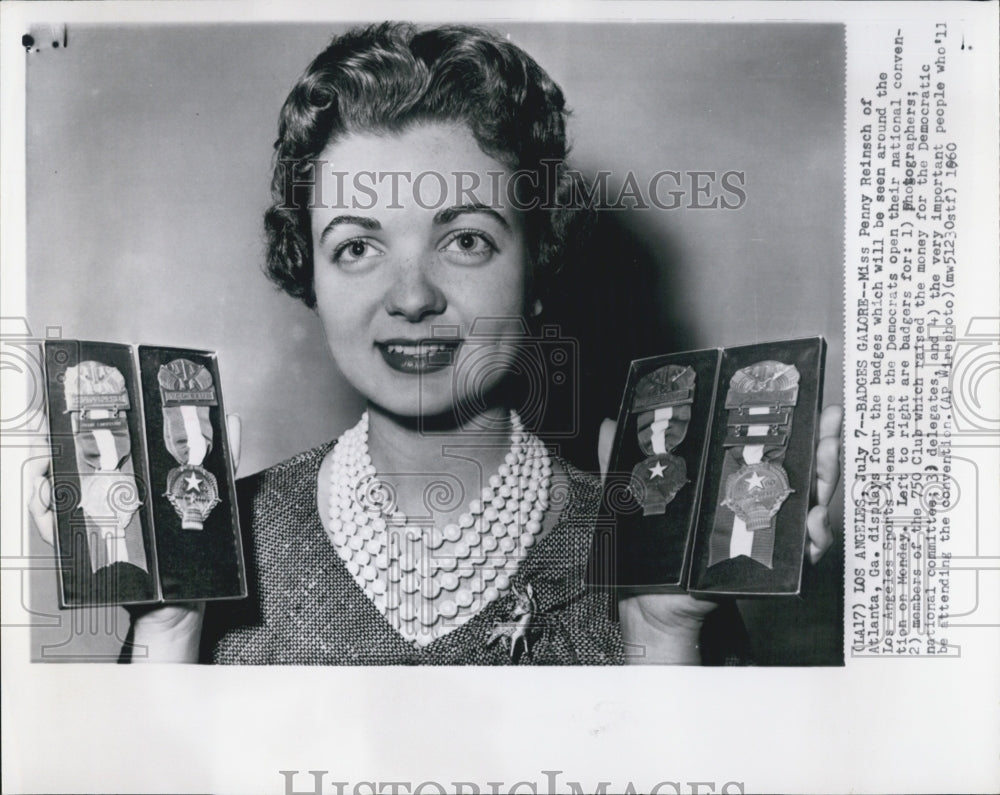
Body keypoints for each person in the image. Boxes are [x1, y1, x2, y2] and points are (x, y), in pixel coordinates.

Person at [27, 22, 843, 665]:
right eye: (357, 245)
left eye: (466, 241)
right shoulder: (204, 546)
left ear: (539, 261)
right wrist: (168, 635)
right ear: (306, 270)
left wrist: (662, 636)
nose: (412, 296)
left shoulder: (652, 546)